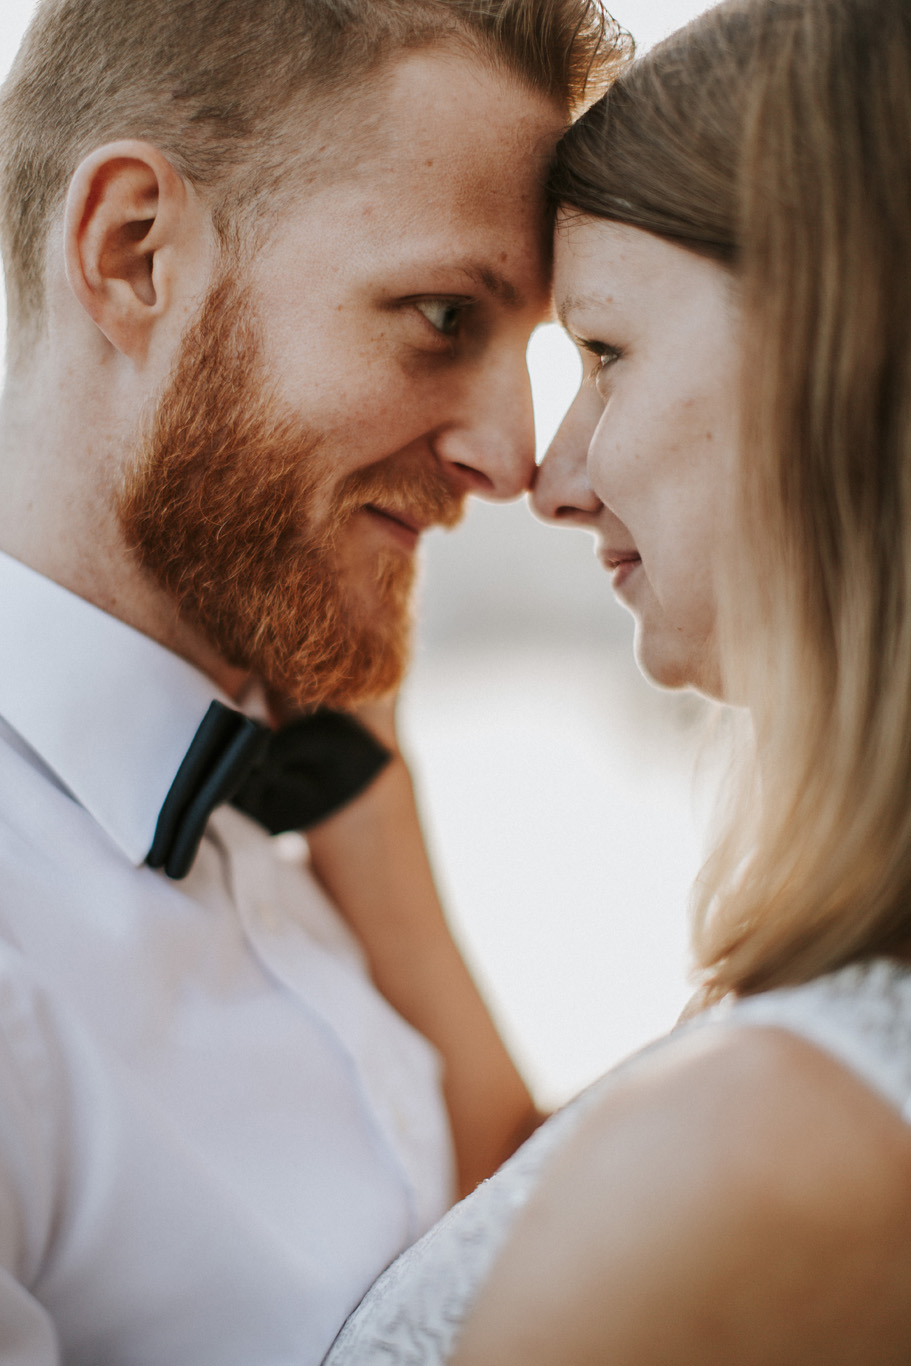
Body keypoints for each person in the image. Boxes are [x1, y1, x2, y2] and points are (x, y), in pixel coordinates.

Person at [0, 1, 629, 1360]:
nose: (515, 458)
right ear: (132, 255)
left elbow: (502, 1260)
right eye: (442, 316)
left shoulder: (289, 776)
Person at [324, 0, 911, 1360]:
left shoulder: (770, 1145)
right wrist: (367, 793)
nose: (550, 475)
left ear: (846, 349)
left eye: (604, 354)